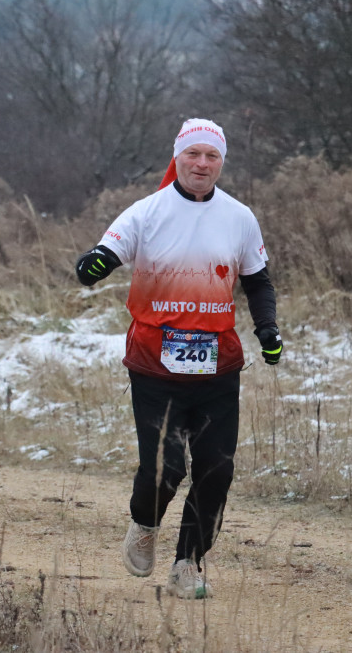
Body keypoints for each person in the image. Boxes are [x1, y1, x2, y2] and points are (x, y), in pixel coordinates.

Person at [75, 118, 283, 599]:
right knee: (165, 469)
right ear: (178, 157)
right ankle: (145, 523)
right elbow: (104, 254)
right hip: (155, 366)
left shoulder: (239, 217)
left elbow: (257, 280)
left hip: (217, 368)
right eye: (194, 155)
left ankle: (187, 563)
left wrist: (266, 327)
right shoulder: (147, 212)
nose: (202, 164)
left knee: (216, 469)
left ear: (221, 163)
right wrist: (97, 263)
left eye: (212, 156)